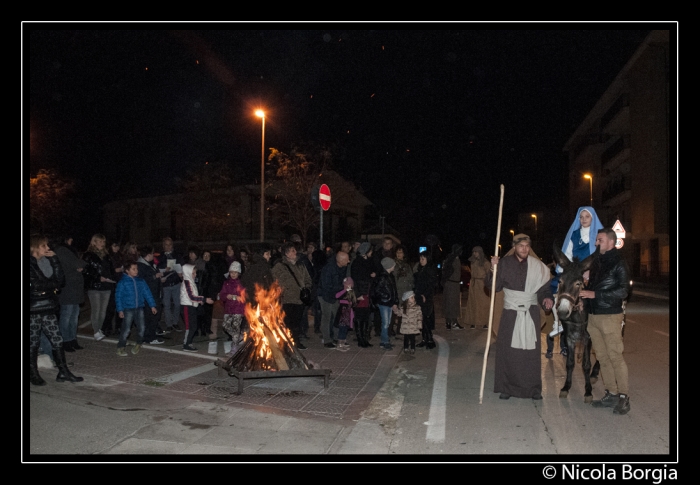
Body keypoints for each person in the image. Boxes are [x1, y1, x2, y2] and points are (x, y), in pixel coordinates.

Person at [486, 234, 553, 400]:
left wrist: (547, 299)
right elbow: (493, 287)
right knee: (509, 352)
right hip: (511, 314)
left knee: (530, 353)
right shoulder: (504, 264)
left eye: (527, 245)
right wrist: (492, 270)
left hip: (530, 313)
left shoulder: (538, 267)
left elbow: (544, 290)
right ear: (514, 246)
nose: (524, 249)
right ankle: (507, 388)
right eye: (521, 245)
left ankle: (533, 389)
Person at [581, 227, 631, 415]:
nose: (596, 243)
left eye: (599, 240)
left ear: (611, 242)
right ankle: (611, 393)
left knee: (615, 357)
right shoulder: (596, 262)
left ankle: (624, 397)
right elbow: (592, 286)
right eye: (596, 240)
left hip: (610, 315)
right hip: (593, 316)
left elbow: (624, 290)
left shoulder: (619, 262)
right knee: (602, 357)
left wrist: (596, 294)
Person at [549, 206, 605, 353]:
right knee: (556, 286)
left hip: (592, 270)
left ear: (592, 219)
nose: (584, 219)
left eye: (587, 217)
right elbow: (567, 252)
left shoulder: (599, 235)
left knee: (599, 292)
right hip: (574, 269)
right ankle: (558, 322)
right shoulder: (574, 235)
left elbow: (601, 256)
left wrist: (590, 272)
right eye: (582, 217)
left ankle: (600, 323)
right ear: (578, 219)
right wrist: (565, 269)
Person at [29, 234, 83, 385]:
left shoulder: (48, 261)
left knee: (57, 339)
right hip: (33, 308)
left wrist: (55, 260)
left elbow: (60, 281)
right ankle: (33, 373)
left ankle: (63, 372)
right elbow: (36, 285)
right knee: (33, 342)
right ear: (34, 247)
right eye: (44, 246)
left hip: (48, 305)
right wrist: (51, 285)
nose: (48, 248)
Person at [271, 242, 313, 350]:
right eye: (292, 251)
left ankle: (296, 342)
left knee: (297, 323)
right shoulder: (279, 266)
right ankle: (286, 343)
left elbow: (308, 279)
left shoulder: (301, 265)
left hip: (300, 300)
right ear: (287, 253)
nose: (295, 253)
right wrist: (281, 290)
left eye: (295, 250)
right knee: (287, 323)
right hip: (287, 300)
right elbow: (273, 280)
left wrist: (306, 288)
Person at [114, 261, 157, 357]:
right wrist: (120, 310)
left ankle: (138, 343)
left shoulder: (141, 281)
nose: (136, 271)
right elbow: (118, 296)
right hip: (128, 308)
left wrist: (152, 305)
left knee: (142, 328)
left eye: (137, 268)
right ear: (127, 271)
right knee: (126, 329)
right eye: (134, 269)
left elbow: (147, 293)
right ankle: (121, 347)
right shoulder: (123, 282)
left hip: (139, 308)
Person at [54, 234, 86, 352]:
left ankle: (72, 339)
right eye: (70, 239)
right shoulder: (62, 250)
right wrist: (80, 264)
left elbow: (78, 264)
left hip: (73, 288)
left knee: (74, 316)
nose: (72, 241)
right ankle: (65, 341)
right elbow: (78, 264)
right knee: (67, 316)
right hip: (68, 288)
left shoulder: (66, 250)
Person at [82, 233, 116, 341]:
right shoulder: (88, 255)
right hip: (95, 286)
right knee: (96, 310)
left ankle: (99, 329)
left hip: (107, 285)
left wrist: (113, 279)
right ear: (94, 242)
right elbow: (86, 271)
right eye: (100, 241)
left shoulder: (107, 255)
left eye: (103, 242)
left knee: (103, 310)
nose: (102, 244)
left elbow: (110, 270)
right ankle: (96, 331)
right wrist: (98, 278)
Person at [318, 251, 350, 348]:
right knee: (327, 317)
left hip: (336, 295)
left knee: (337, 317)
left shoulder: (342, 267)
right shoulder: (328, 269)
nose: (349, 261)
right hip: (325, 295)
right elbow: (327, 286)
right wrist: (343, 287)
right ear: (340, 261)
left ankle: (336, 338)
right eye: (346, 259)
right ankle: (327, 340)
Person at [180, 263, 214, 351]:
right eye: (193, 273)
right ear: (188, 273)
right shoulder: (187, 282)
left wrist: (200, 301)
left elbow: (193, 295)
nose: (195, 275)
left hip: (191, 306)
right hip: (187, 307)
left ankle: (188, 342)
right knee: (191, 326)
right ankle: (186, 344)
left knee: (192, 326)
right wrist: (204, 299)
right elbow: (191, 296)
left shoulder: (190, 281)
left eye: (195, 273)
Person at [136, 245, 165, 345]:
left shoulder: (149, 264)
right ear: (148, 255)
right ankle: (149, 337)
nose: (154, 255)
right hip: (148, 295)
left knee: (152, 316)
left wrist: (158, 278)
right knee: (151, 316)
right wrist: (154, 276)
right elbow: (141, 279)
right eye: (152, 253)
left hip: (153, 293)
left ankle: (148, 336)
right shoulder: (140, 265)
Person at [218, 261, 246, 356]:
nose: (233, 274)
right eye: (231, 272)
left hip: (238, 309)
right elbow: (222, 295)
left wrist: (236, 297)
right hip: (228, 308)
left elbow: (244, 297)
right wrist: (226, 296)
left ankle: (234, 347)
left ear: (238, 273)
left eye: (235, 272)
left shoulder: (241, 283)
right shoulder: (226, 283)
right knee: (225, 325)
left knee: (235, 326)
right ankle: (239, 336)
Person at [350, 242, 375, 347]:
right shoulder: (357, 263)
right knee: (360, 317)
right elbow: (355, 280)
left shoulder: (367, 262)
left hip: (367, 293)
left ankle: (365, 339)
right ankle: (360, 340)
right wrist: (358, 294)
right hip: (361, 293)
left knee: (366, 318)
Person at [157, 237, 185, 333]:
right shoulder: (160, 257)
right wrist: (164, 270)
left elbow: (182, 265)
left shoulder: (177, 255)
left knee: (177, 304)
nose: (168, 247)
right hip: (166, 284)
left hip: (176, 283)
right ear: (163, 246)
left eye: (170, 244)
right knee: (167, 305)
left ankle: (175, 322)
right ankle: (169, 325)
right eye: (166, 244)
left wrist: (180, 272)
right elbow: (157, 268)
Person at [374, 257, 399, 350]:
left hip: (388, 303)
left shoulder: (390, 276)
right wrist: (387, 298)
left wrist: (395, 301)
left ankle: (384, 340)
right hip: (384, 303)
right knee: (385, 323)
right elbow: (378, 290)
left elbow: (394, 290)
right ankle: (384, 341)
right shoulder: (382, 277)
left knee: (387, 322)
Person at [413, 251, 438, 349]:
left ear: (428, 259)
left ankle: (430, 340)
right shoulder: (421, 269)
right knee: (422, 318)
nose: (421, 261)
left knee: (426, 318)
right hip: (420, 296)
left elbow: (431, 285)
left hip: (426, 298)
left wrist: (425, 295)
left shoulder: (430, 270)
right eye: (420, 259)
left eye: (423, 259)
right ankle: (424, 339)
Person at [465, 246, 491, 330]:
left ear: (480, 252)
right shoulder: (473, 262)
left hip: (482, 285)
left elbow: (489, 274)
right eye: (473, 252)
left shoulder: (486, 262)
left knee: (483, 304)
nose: (474, 253)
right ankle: (473, 322)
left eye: (476, 252)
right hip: (474, 284)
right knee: (473, 304)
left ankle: (484, 322)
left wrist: (488, 284)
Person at [391, 244, 414, 338]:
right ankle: (390, 329)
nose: (399, 254)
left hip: (405, 290)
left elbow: (411, 278)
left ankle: (400, 329)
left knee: (403, 310)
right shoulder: (393, 264)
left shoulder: (407, 265)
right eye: (397, 252)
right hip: (396, 290)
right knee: (394, 310)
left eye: (401, 252)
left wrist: (411, 288)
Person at [441, 244, 465, 330]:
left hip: (451, 284)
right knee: (452, 303)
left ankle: (450, 322)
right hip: (452, 284)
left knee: (450, 303)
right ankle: (452, 322)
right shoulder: (454, 259)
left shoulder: (450, 258)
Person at [334, 277, 357, 351]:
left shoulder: (352, 292)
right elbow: (337, 296)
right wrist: (345, 290)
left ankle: (343, 342)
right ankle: (340, 344)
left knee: (345, 329)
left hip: (348, 314)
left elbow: (354, 302)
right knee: (342, 329)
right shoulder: (343, 292)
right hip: (343, 315)